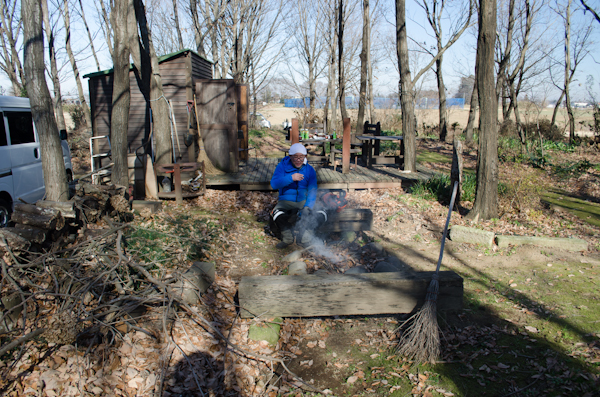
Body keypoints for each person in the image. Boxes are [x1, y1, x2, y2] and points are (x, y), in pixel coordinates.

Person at [270, 143, 326, 248]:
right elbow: (274, 184)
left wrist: (308, 206)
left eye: (301, 157)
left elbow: (313, 190)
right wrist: (291, 178)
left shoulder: (309, 169)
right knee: (276, 214)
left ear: (305, 156)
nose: (298, 160)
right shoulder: (282, 166)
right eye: (295, 157)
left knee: (321, 213)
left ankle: (304, 238)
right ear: (290, 156)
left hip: (303, 201)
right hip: (285, 201)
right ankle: (288, 239)